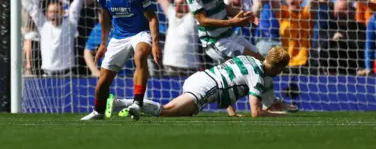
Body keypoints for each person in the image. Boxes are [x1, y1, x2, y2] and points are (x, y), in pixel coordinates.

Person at [185, 0, 298, 114]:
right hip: (215, 42)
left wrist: (243, 14)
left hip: (229, 35)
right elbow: (202, 20)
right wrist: (232, 22)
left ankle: (270, 103)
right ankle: (257, 106)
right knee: (249, 65)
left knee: (260, 59)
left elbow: (222, 7)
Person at [81, 0, 160, 121]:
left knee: (139, 56)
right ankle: (98, 112)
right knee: (103, 81)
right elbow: (105, 18)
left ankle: (137, 104)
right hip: (119, 36)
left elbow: (152, 17)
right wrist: (103, 44)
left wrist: (155, 43)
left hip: (140, 33)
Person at [109, 46, 291, 118]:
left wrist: (232, 113)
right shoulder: (258, 76)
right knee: (167, 111)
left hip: (200, 78)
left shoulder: (248, 59)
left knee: (181, 113)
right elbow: (255, 112)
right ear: (279, 66)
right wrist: (282, 116)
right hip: (207, 87)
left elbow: (230, 81)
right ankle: (120, 103)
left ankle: (128, 106)